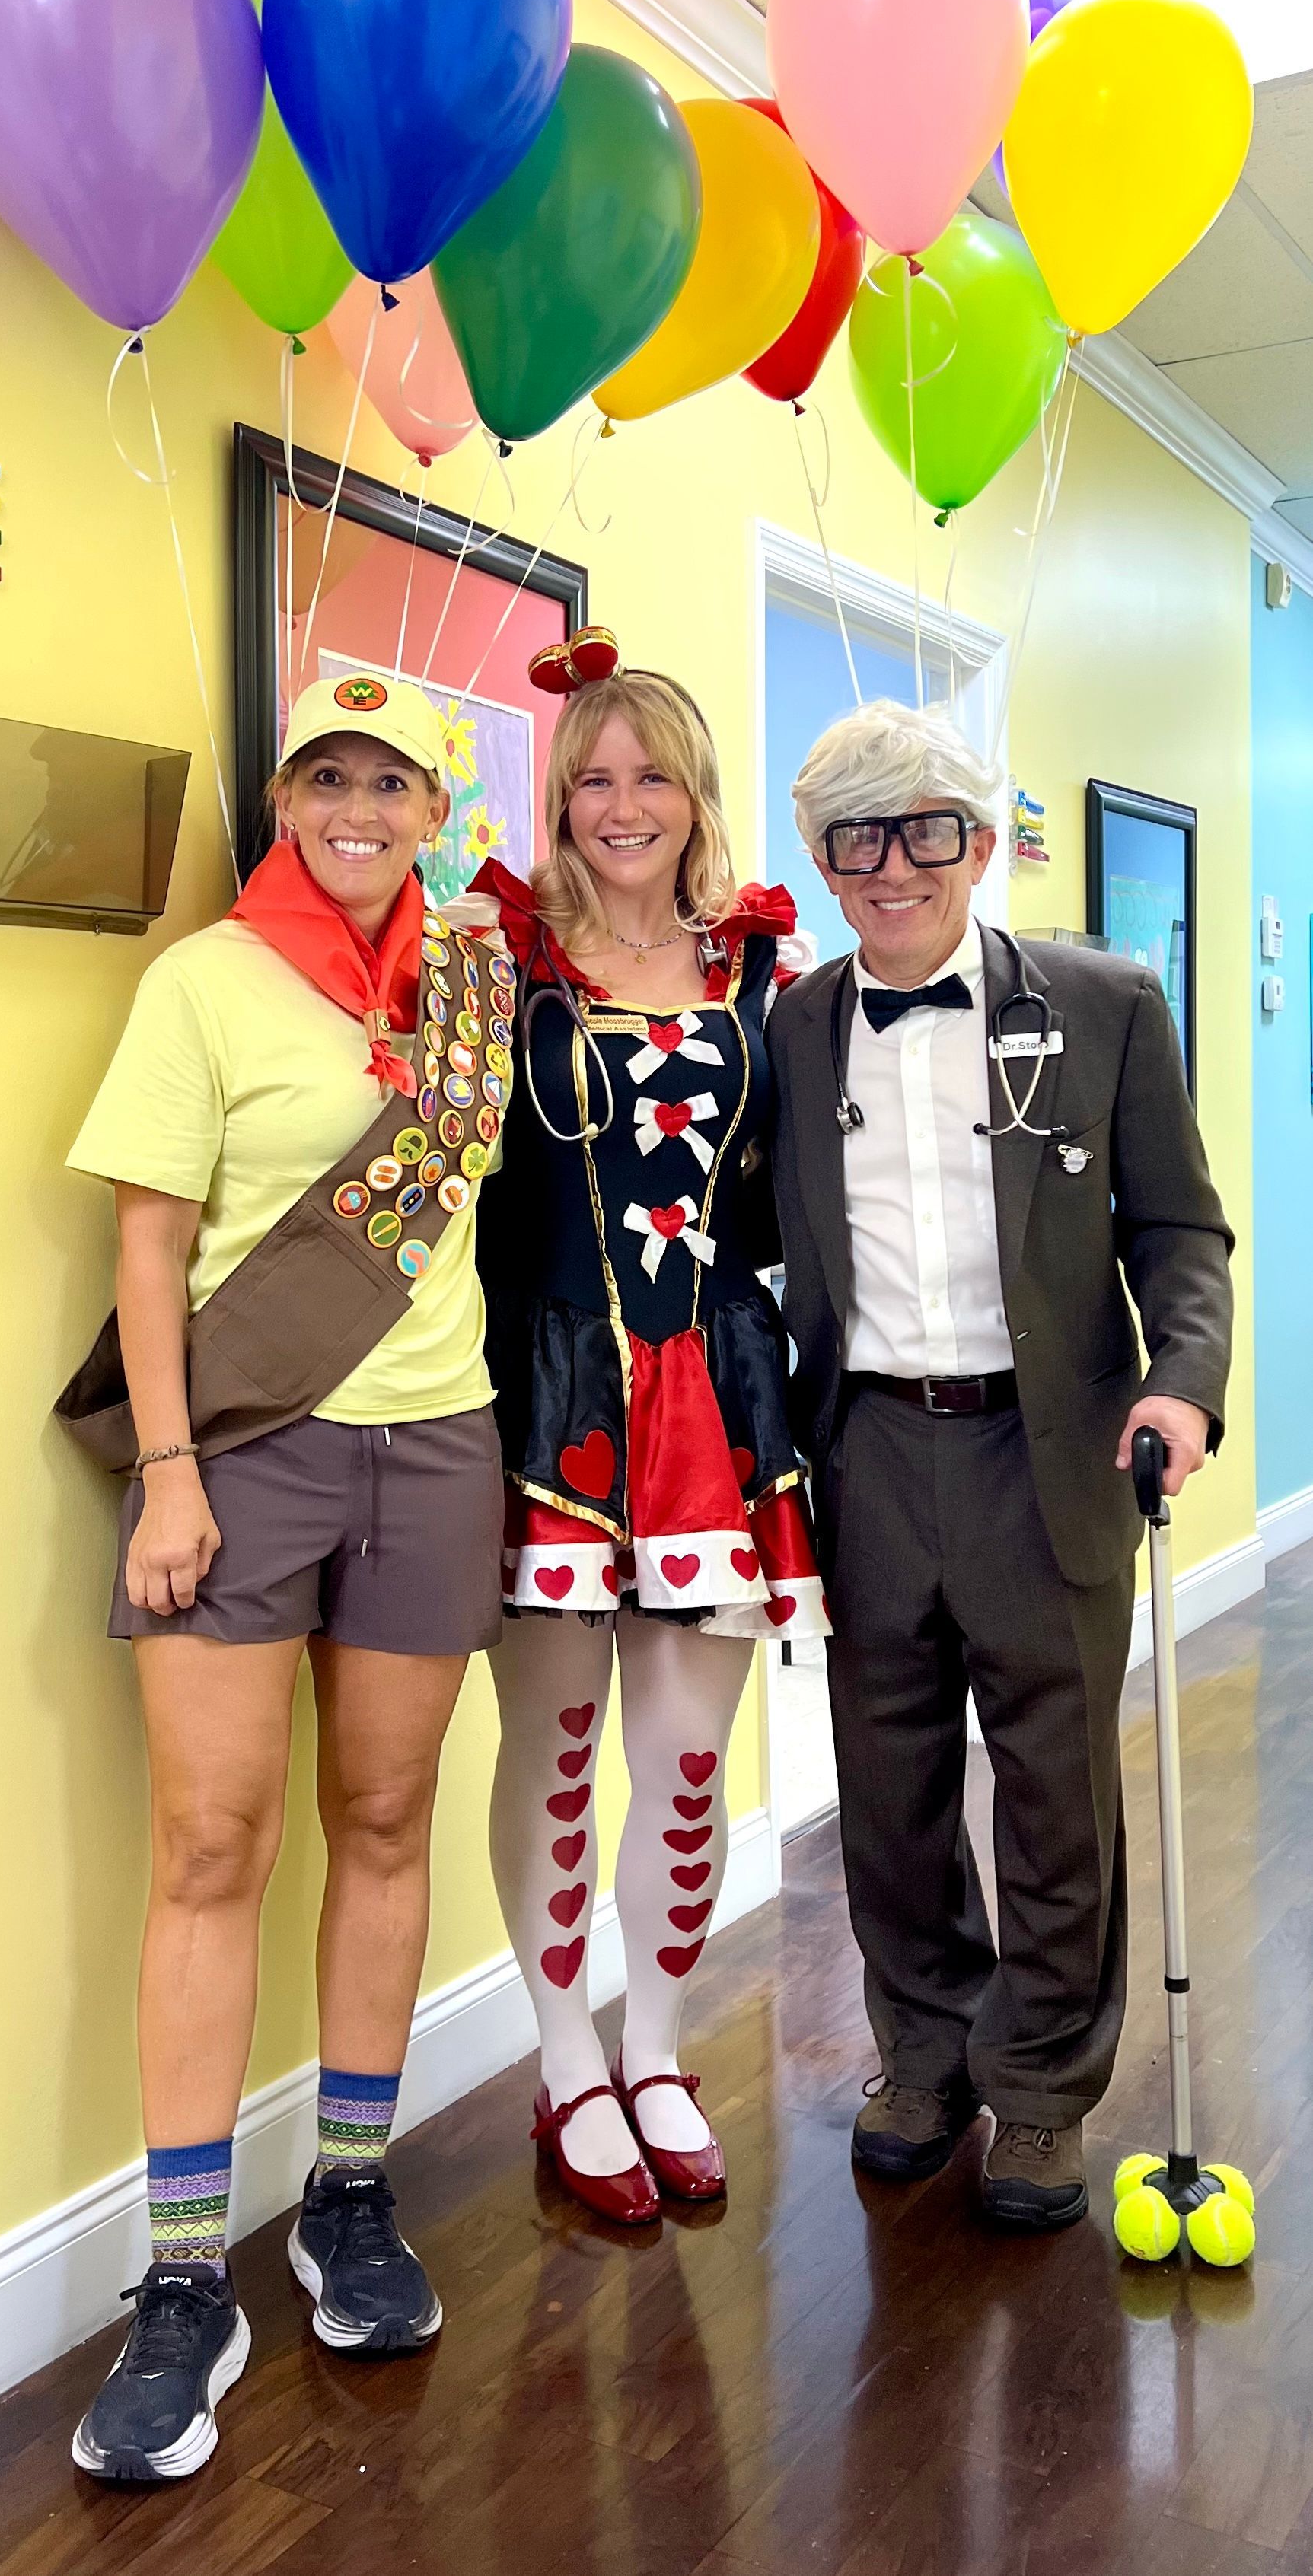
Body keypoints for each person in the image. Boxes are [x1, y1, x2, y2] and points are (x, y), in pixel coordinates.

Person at [59, 673, 509, 2479]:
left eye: (391, 782)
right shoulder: (208, 982)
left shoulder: (472, 983)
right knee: (210, 1844)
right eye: (329, 776)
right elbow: (147, 1248)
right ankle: (185, 2276)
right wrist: (170, 1472)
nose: (358, 807)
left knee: (385, 1816)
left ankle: (347, 2193)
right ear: (286, 798)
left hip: (443, 1444)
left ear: (431, 812)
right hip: (246, 1453)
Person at [769, 699, 1233, 2231]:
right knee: (887, 1787)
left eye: (925, 830)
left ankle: (1039, 2082)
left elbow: (1181, 1230)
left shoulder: (1104, 1002)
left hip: (1055, 1448)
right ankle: (924, 2053)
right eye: (857, 838)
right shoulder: (795, 1026)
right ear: (824, 861)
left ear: (976, 842)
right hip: (868, 1445)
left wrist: (1182, 1384)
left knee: (1052, 1785)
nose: (893, 865)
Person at [461, 632, 827, 2223]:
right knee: (553, 1751)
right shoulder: (498, 962)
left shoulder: (763, 974)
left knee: (685, 1764)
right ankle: (564, 2062)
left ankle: (657, 2049)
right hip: (548, 1394)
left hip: (716, 1401)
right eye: (592, 778)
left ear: (695, 795)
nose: (622, 805)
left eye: (651, 775)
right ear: (560, 799)